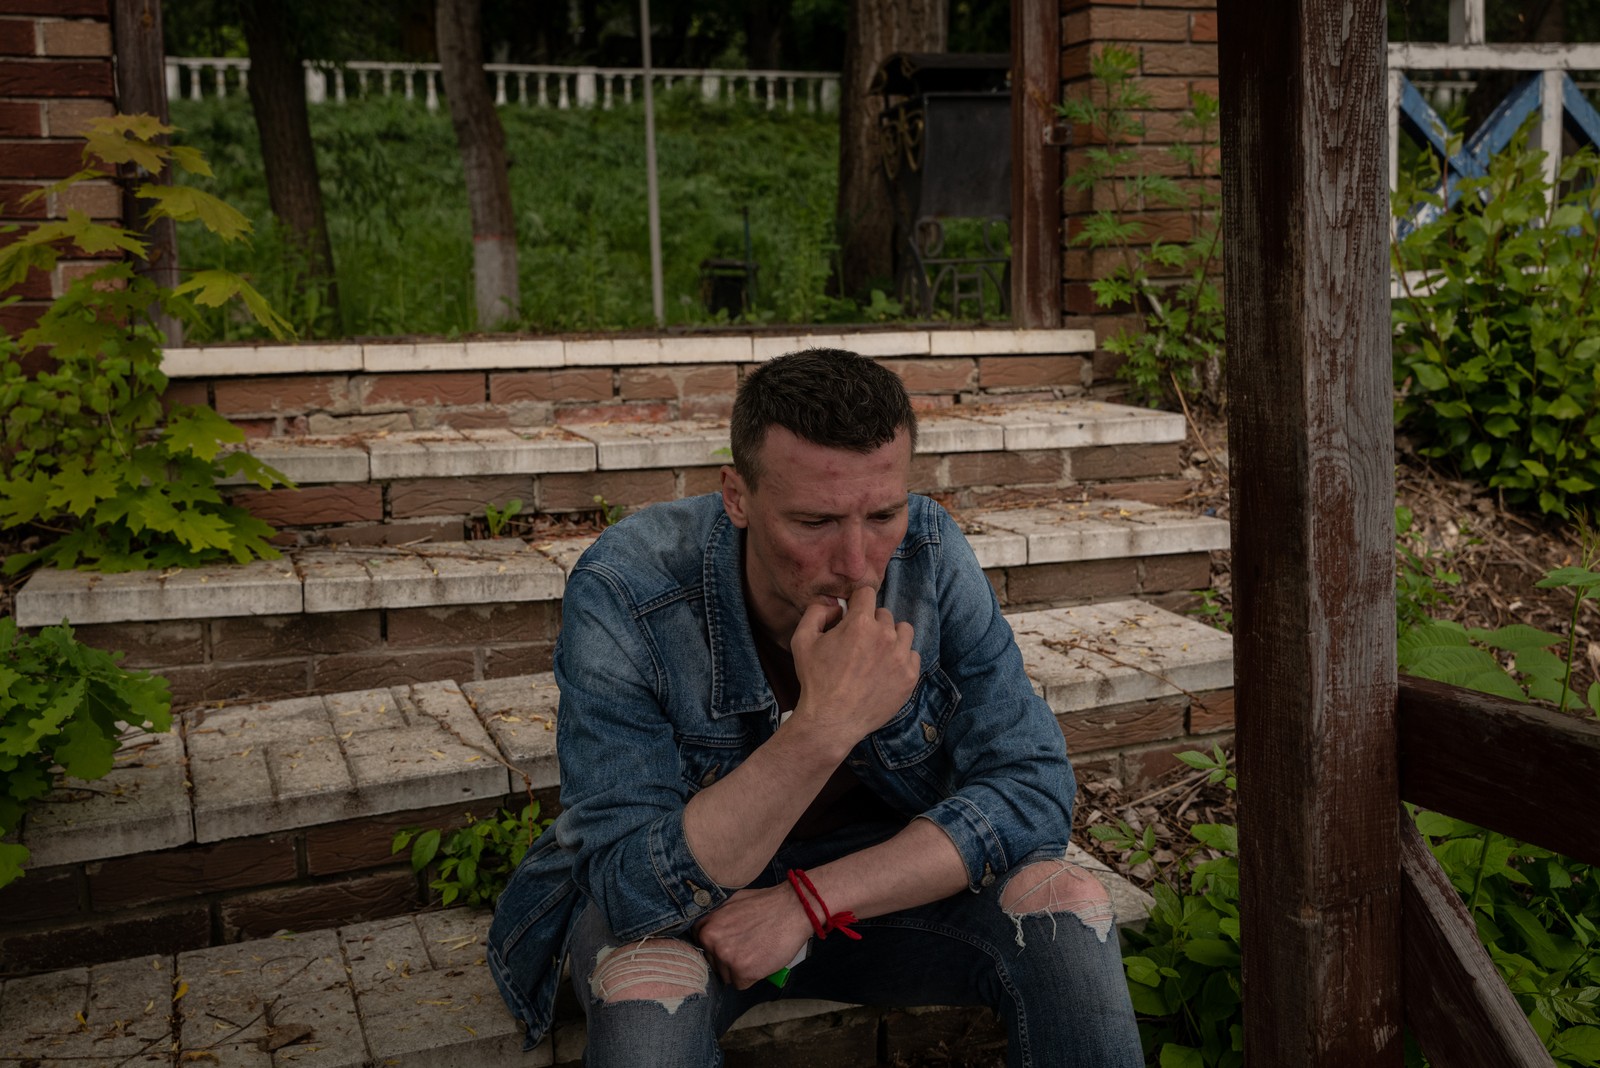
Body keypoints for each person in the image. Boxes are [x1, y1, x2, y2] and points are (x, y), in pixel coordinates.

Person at [488, 348, 1141, 1067]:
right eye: (814, 521)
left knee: (1068, 903)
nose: (860, 564)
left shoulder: (926, 553)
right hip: (691, 903)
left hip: (879, 880)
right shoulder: (629, 589)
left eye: (883, 512)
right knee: (649, 992)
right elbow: (632, 887)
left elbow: (1032, 790)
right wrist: (822, 728)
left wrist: (809, 902)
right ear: (737, 497)